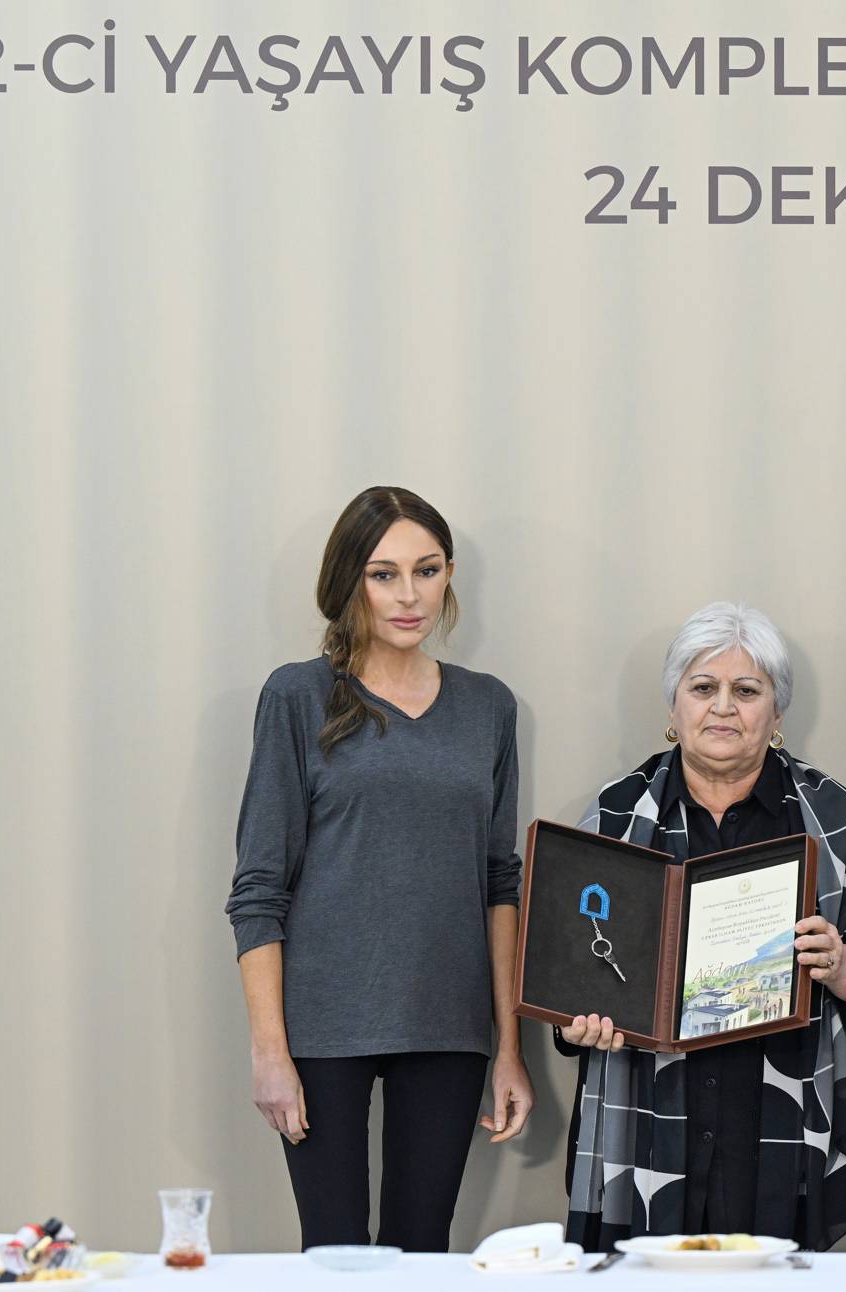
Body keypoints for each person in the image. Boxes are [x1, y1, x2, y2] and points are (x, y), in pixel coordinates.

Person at [225, 486, 534, 1251]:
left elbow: (500, 883)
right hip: (324, 1023)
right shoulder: (297, 696)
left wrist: (510, 1048)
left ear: (449, 575)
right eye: (383, 574)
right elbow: (259, 888)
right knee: (334, 1255)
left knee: (423, 1253)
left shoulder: (489, 708)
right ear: (349, 581)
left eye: (426, 571)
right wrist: (270, 1052)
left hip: (448, 1022)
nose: (409, 595)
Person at [557, 602, 846, 1251]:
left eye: (746, 691)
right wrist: (575, 1021)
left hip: (783, 1106)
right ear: (674, 706)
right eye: (703, 688)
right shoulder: (615, 815)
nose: (723, 707)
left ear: (777, 714)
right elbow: (571, 964)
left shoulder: (832, 815)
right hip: (647, 1112)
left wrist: (841, 965)